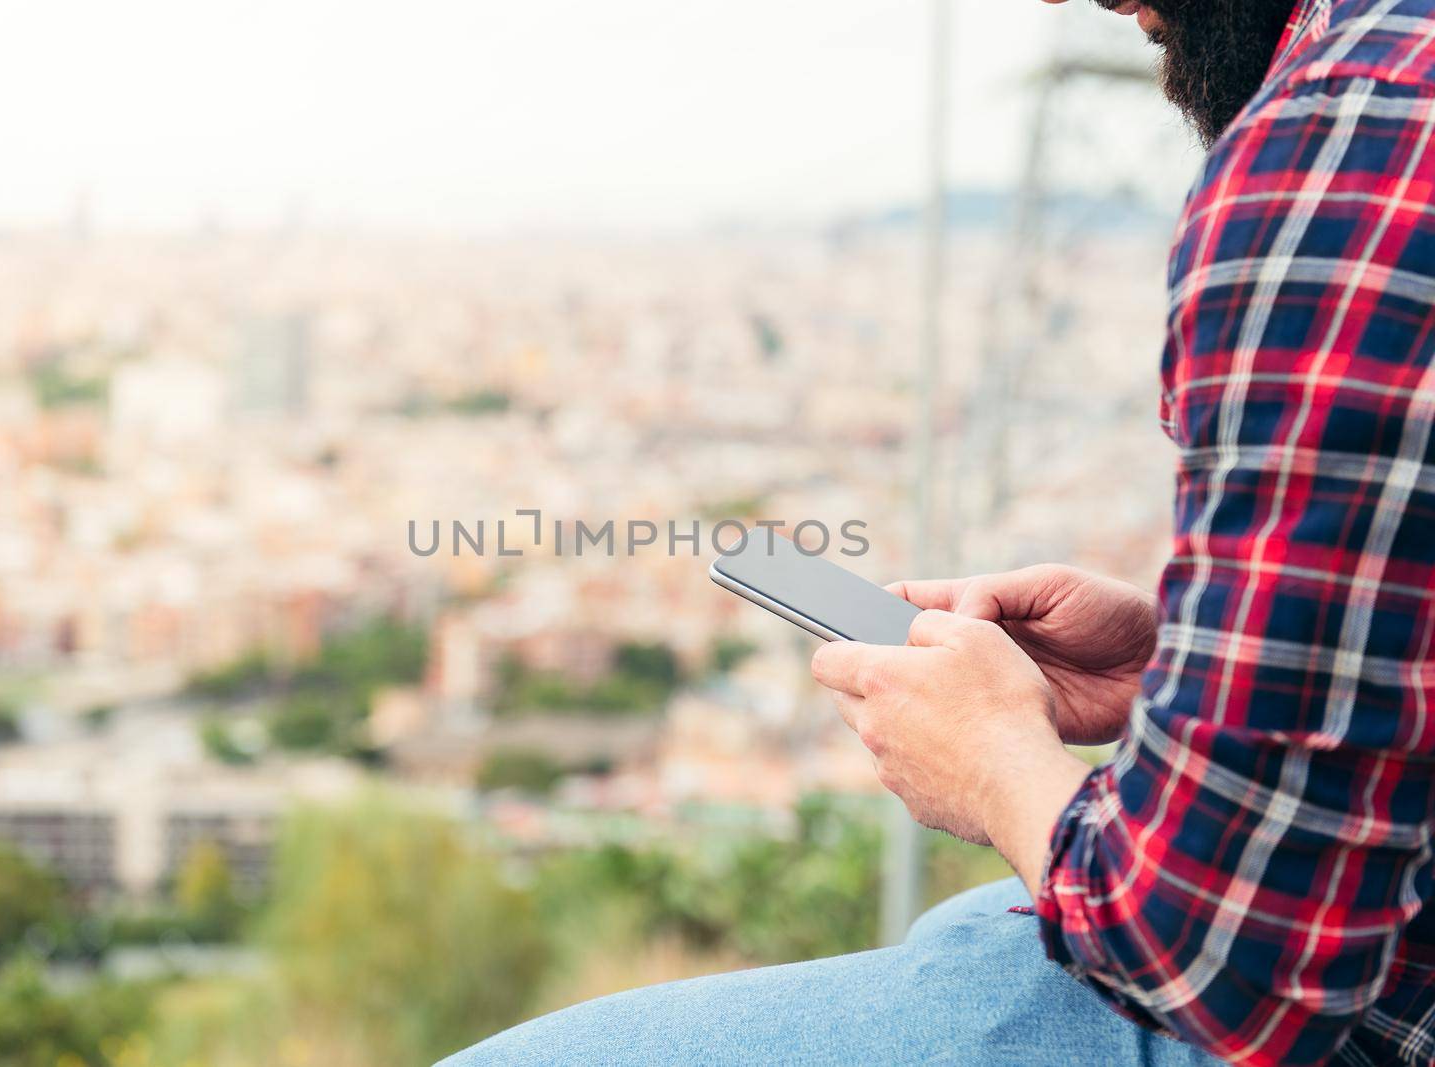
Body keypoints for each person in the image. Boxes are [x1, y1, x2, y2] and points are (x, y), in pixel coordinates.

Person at [445, 0, 1435, 1063]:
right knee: (966, 933)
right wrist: (1187, 669)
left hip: (1366, 1016)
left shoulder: (1349, 139)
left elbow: (1219, 960)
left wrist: (993, 764)